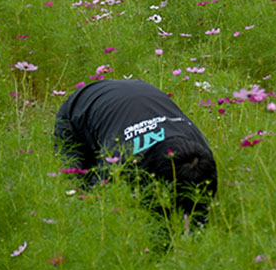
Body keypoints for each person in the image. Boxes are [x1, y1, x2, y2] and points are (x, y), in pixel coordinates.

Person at [54, 79, 218, 219]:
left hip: (137, 95)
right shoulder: (119, 163)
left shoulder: (200, 154)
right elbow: (97, 205)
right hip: (81, 107)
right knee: (76, 190)